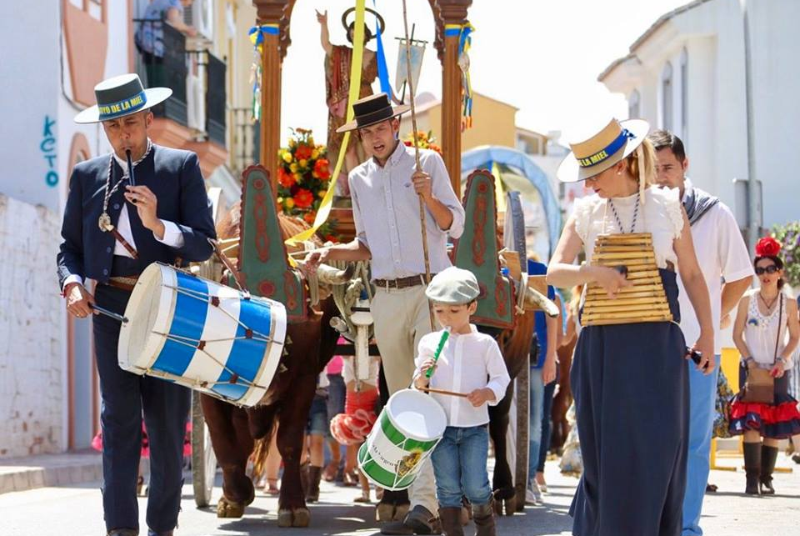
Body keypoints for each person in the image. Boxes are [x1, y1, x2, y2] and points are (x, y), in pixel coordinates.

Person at [59, 73, 216, 536]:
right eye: (113, 128)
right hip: (110, 308)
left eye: (130, 122)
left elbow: (204, 243)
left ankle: (162, 527)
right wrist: (71, 283)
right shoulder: (87, 176)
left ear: (148, 119)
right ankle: (120, 528)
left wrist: (158, 224)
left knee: (167, 425)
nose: (123, 134)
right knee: (119, 421)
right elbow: (69, 248)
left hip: (170, 306)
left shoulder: (180, 167)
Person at [304, 92, 465, 535]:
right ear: (360, 137)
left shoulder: (427, 164)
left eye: (380, 128)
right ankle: (427, 503)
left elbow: (456, 224)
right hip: (387, 297)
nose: (375, 137)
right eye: (367, 132)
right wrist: (328, 250)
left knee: (432, 391)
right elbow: (366, 245)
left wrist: (429, 197)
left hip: (431, 289)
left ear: (396, 126)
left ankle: (435, 502)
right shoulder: (358, 180)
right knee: (406, 402)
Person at [547, 117, 714, 536]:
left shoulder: (666, 206)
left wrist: (708, 335)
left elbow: (692, 275)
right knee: (607, 459)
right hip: (601, 348)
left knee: (660, 454)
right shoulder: (586, 212)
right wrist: (595, 274)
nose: (588, 185)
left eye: (594, 174)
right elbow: (555, 272)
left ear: (620, 164)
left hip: (658, 348)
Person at [649, 129, 753, 536]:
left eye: (668, 168)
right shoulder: (640, 214)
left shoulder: (714, 213)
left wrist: (714, 318)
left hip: (697, 349)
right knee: (652, 440)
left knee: (692, 443)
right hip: (648, 347)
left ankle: (686, 527)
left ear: (685, 165)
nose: (661, 178)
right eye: (654, 170)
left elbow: (741, 276)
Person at [412, 267, 510, 536]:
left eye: (454, 311)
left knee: (477, 485)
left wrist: (487, 393)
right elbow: (418, 385)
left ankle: (486, 528)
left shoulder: (484, 343)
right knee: (447, 487)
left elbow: (501, 379)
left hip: (474, 428)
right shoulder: (429, 342)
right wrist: (422, 377)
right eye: (439, 311)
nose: (446, 318)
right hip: (440, 430)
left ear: (472, 307)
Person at [729, 236, 800, 494]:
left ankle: (767, 478)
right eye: (760, 270)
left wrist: (782, 359)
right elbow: (737, 334)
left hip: (778, 369)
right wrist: (749, 359)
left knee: (773, 423)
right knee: (751, 422)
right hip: (750, 368)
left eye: (770, 269)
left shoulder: (789, 303)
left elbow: (794, 336)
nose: (765, 274)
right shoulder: (747, 299)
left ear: (779, 271)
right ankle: (751, 480)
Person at [316, 8, 379, 200]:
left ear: (366, 34)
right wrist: (324, 24)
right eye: (352, 31)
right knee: (349, 148)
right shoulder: (343, 54)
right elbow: (326, 45)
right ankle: (355, 190)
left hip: (367, 102)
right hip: (347, 105)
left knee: (369, 144)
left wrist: (395, 100)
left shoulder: (376, 55)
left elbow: (386, 80)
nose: (355, 34)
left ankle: (372, 185)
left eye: (359, 30)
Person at [525, 258, 558, 505]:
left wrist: (550, 359)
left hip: (536, 358)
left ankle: (530, 478)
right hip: (503, 357)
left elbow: (551, 316)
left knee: (536, 420)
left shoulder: (539, 271)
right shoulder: (495, 267)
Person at [135, 0, 197, 88]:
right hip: (155, 47)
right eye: (192, 1)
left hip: (147, 43)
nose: (190, 4)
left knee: (155, 81)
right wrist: (188, 29)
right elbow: (173, 21)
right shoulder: (175, 2)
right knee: (159, 85)